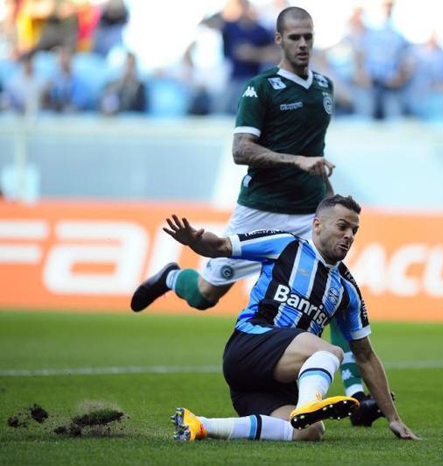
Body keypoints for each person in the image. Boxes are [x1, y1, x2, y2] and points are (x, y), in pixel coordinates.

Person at [131, 7, 384, 427]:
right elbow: (241, 151)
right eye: (296, 37)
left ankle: (357, 395)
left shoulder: (324, 88)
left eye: (309, 36)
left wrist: (327, 200)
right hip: (259, 211)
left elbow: (316, 156)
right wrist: (294, 160)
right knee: (206, 295)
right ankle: (172, 278)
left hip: (308, 217)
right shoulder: (259, 88)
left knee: (335, 291)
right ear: (279, 41)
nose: (304, 44)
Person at [163, 195, 419, 443]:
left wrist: (393, 418)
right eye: (342, 226)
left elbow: (365, 356)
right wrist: (195, 241)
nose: (349, 235)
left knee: (309, 431)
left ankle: (201, 425)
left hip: (272, 382)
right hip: (249, 347)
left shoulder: (347, 289)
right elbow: (220, 246)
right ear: (317, 225)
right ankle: (309, 404)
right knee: (331, 351)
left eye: (354, 230)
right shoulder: (286, 245)